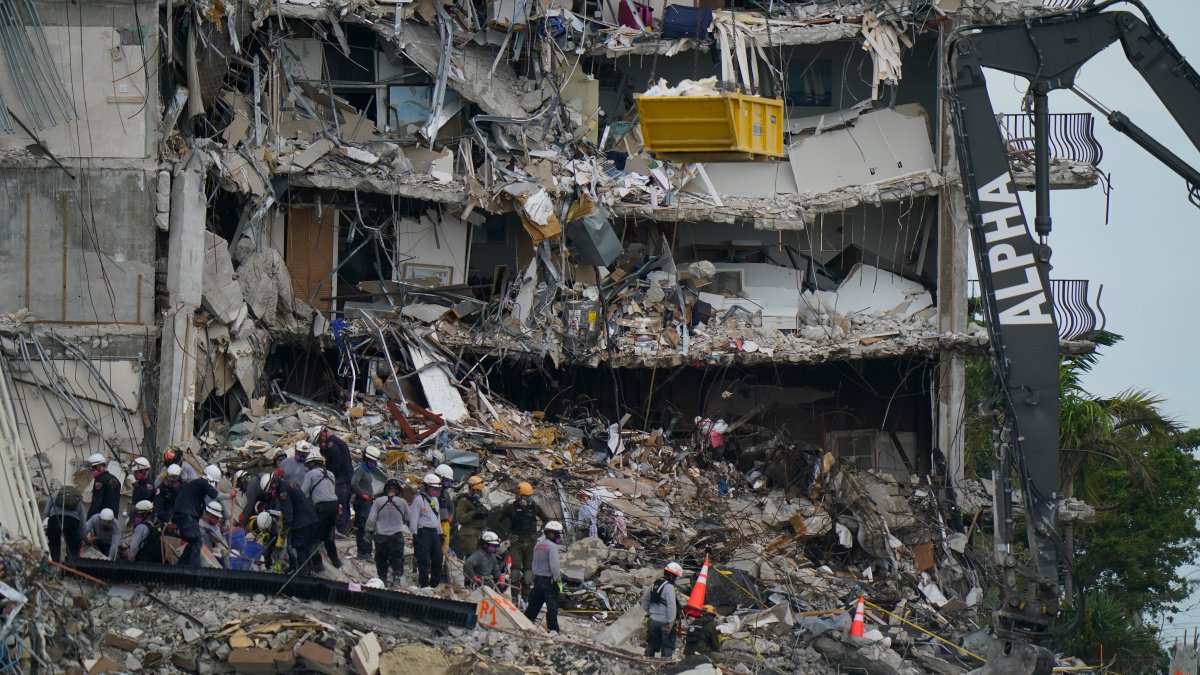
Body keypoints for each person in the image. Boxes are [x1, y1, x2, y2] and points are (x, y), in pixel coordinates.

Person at [497, 482, 552, 599]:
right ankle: (515, 598)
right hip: (516, 543)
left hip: (531, 543)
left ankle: (525, 598)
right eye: (524, 496)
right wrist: (508, 534)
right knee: (515, 573)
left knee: (528, 573)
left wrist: (539, 532)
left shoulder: (535, 507)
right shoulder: (511, 507)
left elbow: (547, 520)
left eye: (529, 496)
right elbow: (499, 521)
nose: (527, 498)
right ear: (519, 495)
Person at [261, 473, 322, 574]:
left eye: (271, 489)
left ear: (273, 484)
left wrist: (283, 532)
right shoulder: (289, 485)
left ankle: (303, 576)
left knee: (300, 548)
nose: (272, 491)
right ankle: (309, 572)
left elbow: (288, 514)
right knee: (306, 550)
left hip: (302, 524)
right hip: (312, 520)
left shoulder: (283, 492)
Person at [171, 465, 221, 567]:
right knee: (196, 541)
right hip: (186, 516)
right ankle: (194, 569)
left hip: (184, 515)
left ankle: (180, 567)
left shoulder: (196, 492)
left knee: (194, 542)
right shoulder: (202, 483)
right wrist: (229, 495)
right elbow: (215, 495)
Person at [365, 478, 410, 588]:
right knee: (397, 558)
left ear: (385, 490)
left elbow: (371, 519)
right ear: (398, 490)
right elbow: (409, 518)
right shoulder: (402, 502)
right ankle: (396, 580)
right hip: (396, 536)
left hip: (381, 536)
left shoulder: (378, 501)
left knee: (381, 559)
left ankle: (382, 580)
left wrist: (368, 531)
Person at [301, 453, 341, 568]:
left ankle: (318, 565)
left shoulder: (310, 474)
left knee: (312, 536)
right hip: (334, 505)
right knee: (327, 535)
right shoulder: (331, 474)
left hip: (322, 507)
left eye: (308, 464)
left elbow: (304, 494)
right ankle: (336, 561)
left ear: (312, 463)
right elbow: (331, 491)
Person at [523, 520, 563, 632]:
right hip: (549, 581)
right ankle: (553, 630)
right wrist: (557, 580)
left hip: (538, 579)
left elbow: (534, 563)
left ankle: (525, 623)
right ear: (550, 533)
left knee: (534, 604)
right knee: (552, 607)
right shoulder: (552, 546)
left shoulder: (538, 545)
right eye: (557, 534)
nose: (558, 536)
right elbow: (554, 565)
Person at [314, 426, 354, 534]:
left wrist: (329, 474)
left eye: (319, 439)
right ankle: (344, 529)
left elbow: (336, 462)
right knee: (344, 505)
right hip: (347, 478)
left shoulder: (331, 444)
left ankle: (341, 531)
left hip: (341, 480)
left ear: (323, 435)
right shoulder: (338, 442)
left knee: (340, 505)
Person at [408, 472, 444, 588]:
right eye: (433, 488)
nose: (435, 490)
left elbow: (436, 518)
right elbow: (414, 518)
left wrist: (440, 533)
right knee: (424, 559)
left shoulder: (434, 500)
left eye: (437, 488)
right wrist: (414, 534)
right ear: (427, 487)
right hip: (423, 532)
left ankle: (434, 583)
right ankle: (423, 583)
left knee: (438, 558)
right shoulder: (419, 499)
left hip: (434, 532)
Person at [641, 562, 683, 658]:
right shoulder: (669, 587)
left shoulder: (654, 585)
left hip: (653, 620)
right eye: (676, 577)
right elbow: (672, 606)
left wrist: (650, 613)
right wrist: (671, 622)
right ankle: (665, 666)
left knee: (651, 644)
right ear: (672, 576)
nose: (676, 579)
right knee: (667, 646)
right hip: (665, 623)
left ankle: (647, 662)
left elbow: (644, 600)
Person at [351, 445, 386, 562]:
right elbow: (354, 483)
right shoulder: (360, 471)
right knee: (363, 528)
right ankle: (363, 552)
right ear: (366, 459)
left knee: (368, 527)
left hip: (367, 503)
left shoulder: (365, 471)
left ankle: (367, 552)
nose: (374, 464)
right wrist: (362, 494)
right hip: (362, 503)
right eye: (372, 461)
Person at [44, 484, 84, 562]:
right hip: (72, 523)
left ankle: (55, 567)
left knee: (54, 545)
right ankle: (71, 570)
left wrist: (53, 515)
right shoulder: (77, 500)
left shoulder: (54, 496)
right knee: (72, 547)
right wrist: (83, 537)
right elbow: (82, 523)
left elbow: (46, 512)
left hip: (54, 520)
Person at [453, 475, 490, 557]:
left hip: (477, 535)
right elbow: (460, 518)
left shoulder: (475, 501)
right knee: (471, 559)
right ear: (471, 489)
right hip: (468, 535)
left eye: (480, 491)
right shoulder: (464, 500)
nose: (479, 493)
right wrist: (474, 512)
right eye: (477, 491)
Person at [85, 453, 120, 520]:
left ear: (99, 466)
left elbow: (96, 502)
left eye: (92, 468)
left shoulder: (100, 481)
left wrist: (88, 519)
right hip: (113, 518)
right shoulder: (116, 479)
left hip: (102, 518)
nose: (92, 470)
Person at [198, 501, 229, 566]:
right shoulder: (198, 523)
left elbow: (218, 540)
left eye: (218, 517)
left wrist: (212, 533)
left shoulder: (216, 528)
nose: (217, 519)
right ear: (208, 513)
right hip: (197, 554)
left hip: (208, 556)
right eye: (214, 516)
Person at [434, 464, 455, 556]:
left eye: (449, 481)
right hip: (433, 524)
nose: (448, 483)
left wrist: (450, 515)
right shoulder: (429, 490)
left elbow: (451, 505)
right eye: (446, 480)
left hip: (444, 524)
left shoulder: (445, 493)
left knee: (444, 549)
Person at [128, 457, 155, 525]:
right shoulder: (140, 483)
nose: (135, 474)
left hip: (145, 515)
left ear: (144, 471)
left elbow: (145, 495)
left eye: (136, 472)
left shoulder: (149, 484)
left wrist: (135, 484)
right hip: (137, 513)